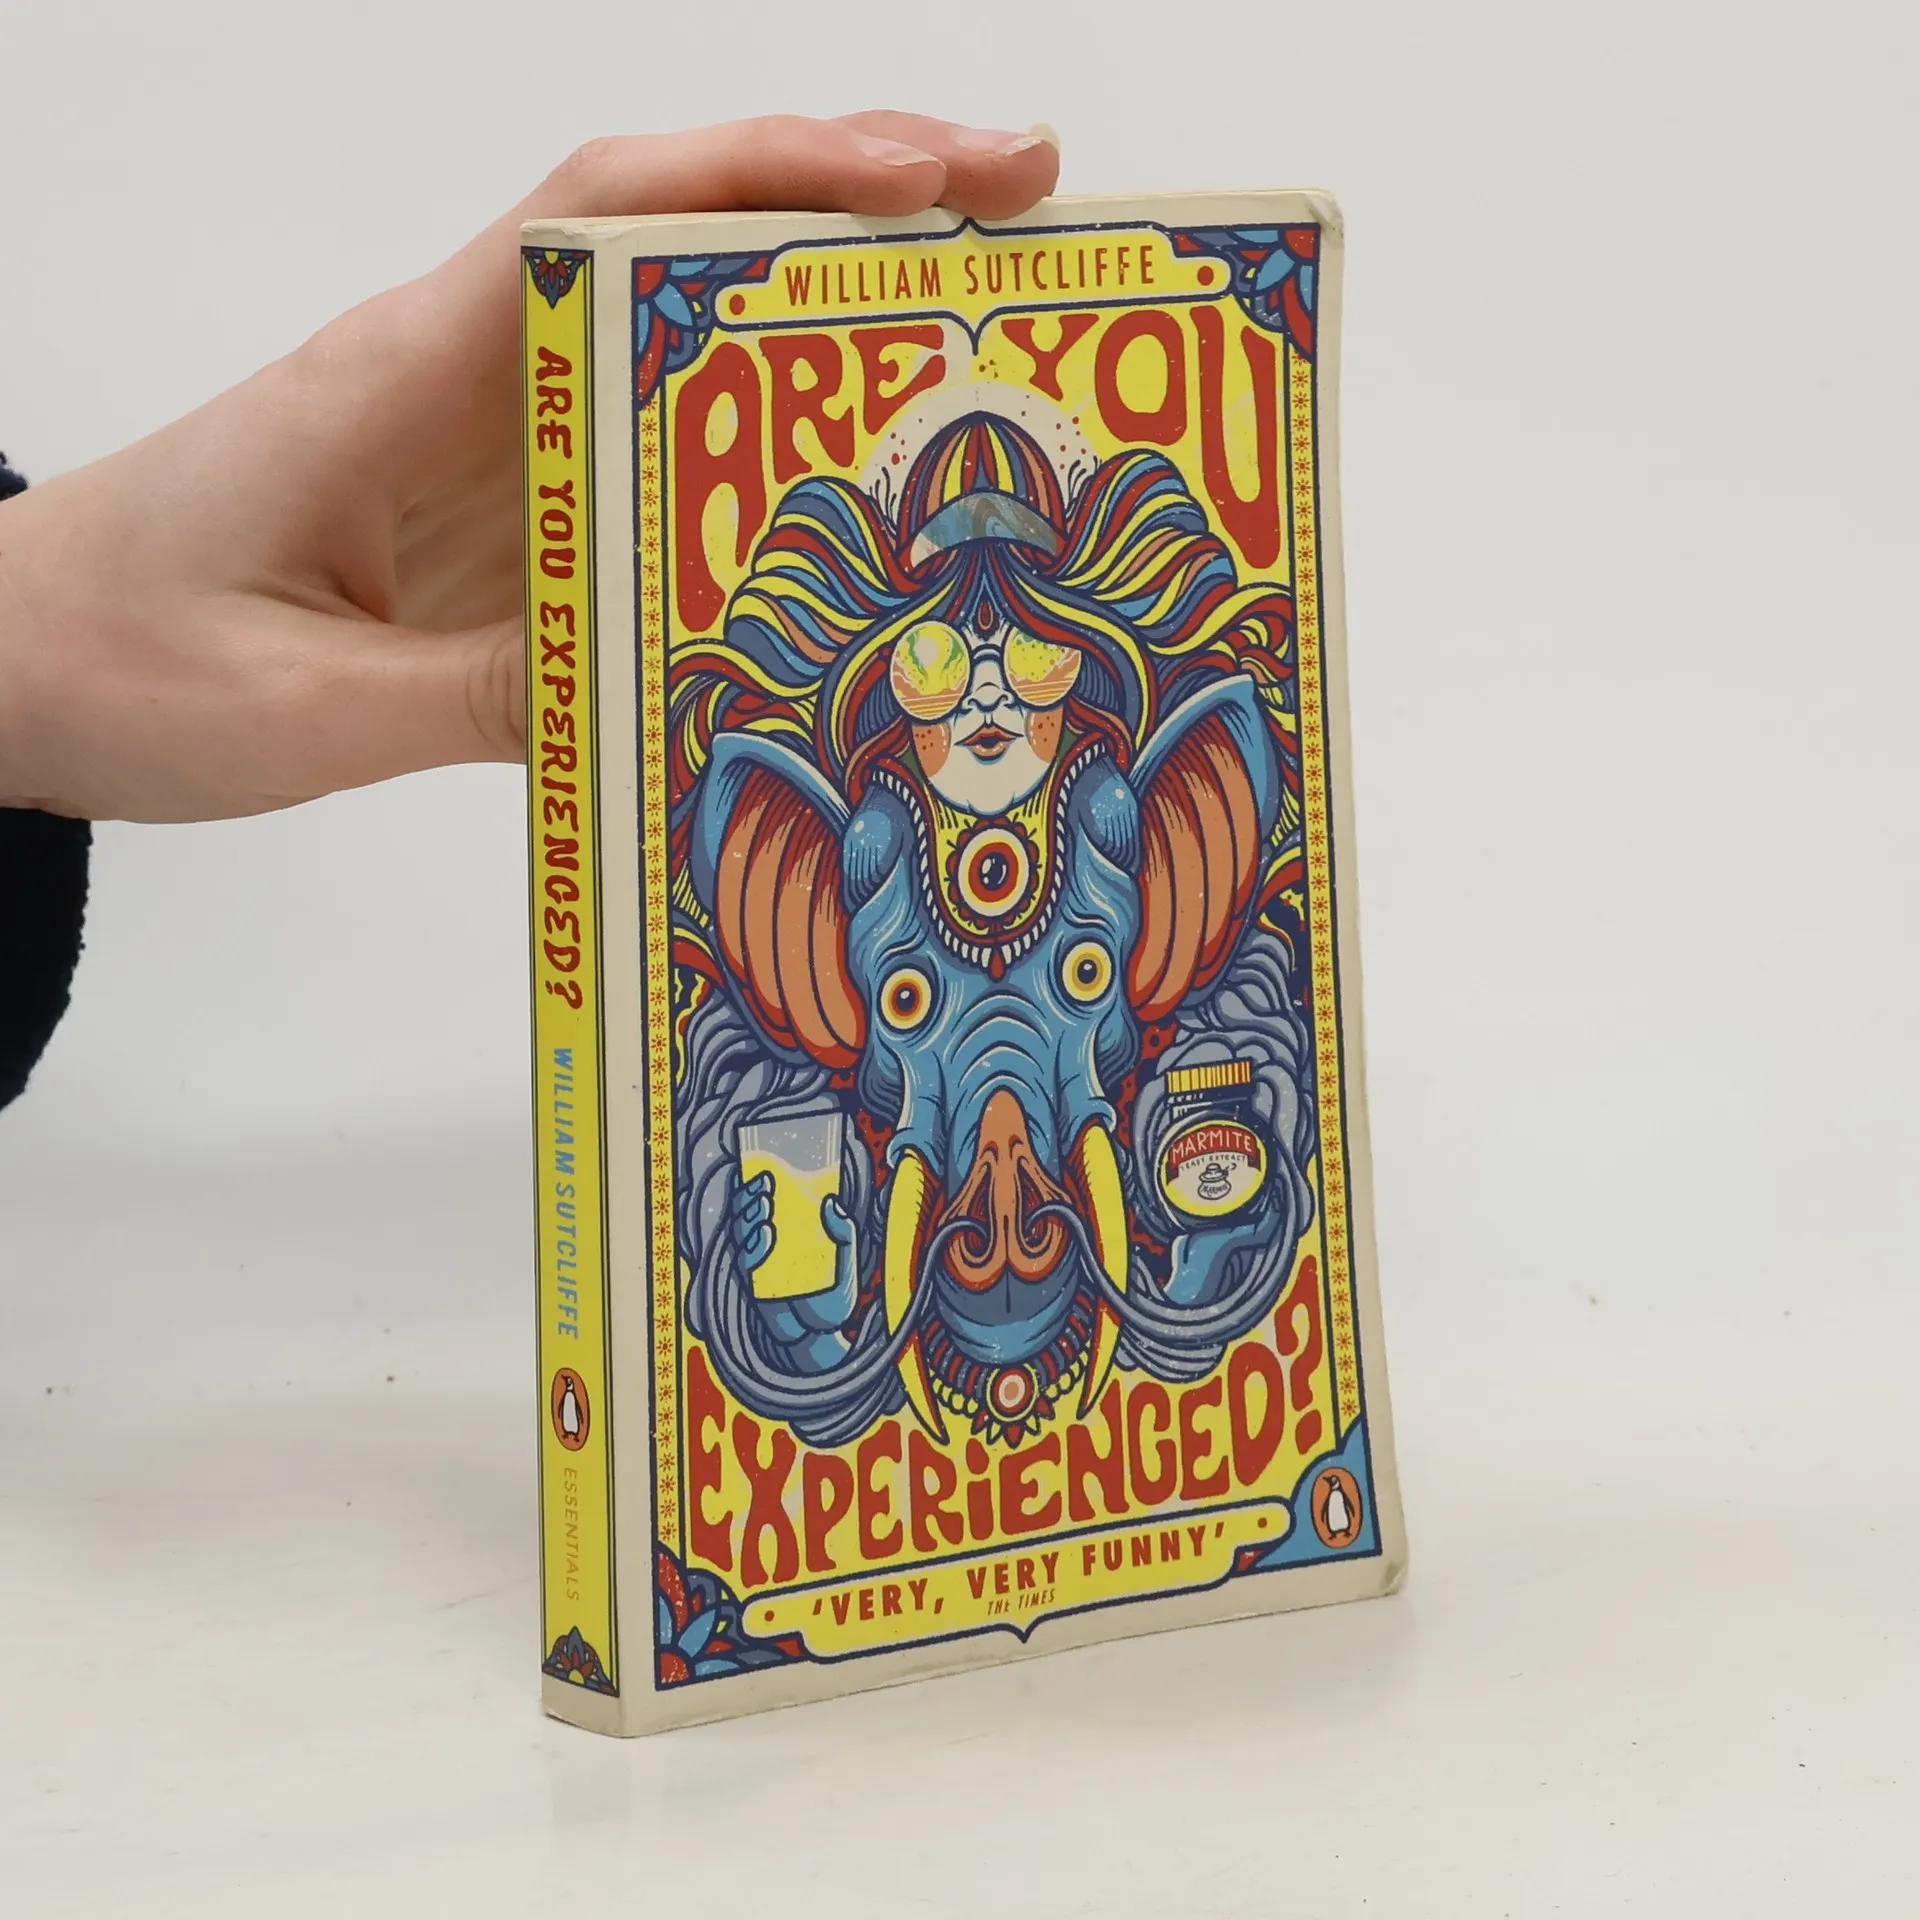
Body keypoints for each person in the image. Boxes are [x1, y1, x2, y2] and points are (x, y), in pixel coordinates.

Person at [0, 111, 1060, 1111]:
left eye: (1033, 658)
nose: (989, 700)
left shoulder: (1095, 814)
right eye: (935, 658)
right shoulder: (832, 829)